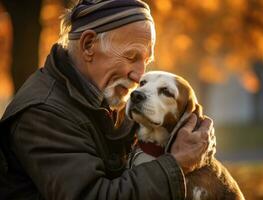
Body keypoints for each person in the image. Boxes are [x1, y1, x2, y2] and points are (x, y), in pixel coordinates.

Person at [0, 0, 215, 199]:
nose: (140, 75)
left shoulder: (106, 96)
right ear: (88, 45)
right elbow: (94, 195)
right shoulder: (43, 113)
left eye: (146, 61)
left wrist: (190, 136)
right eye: (131, 57)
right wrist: (177, 164)